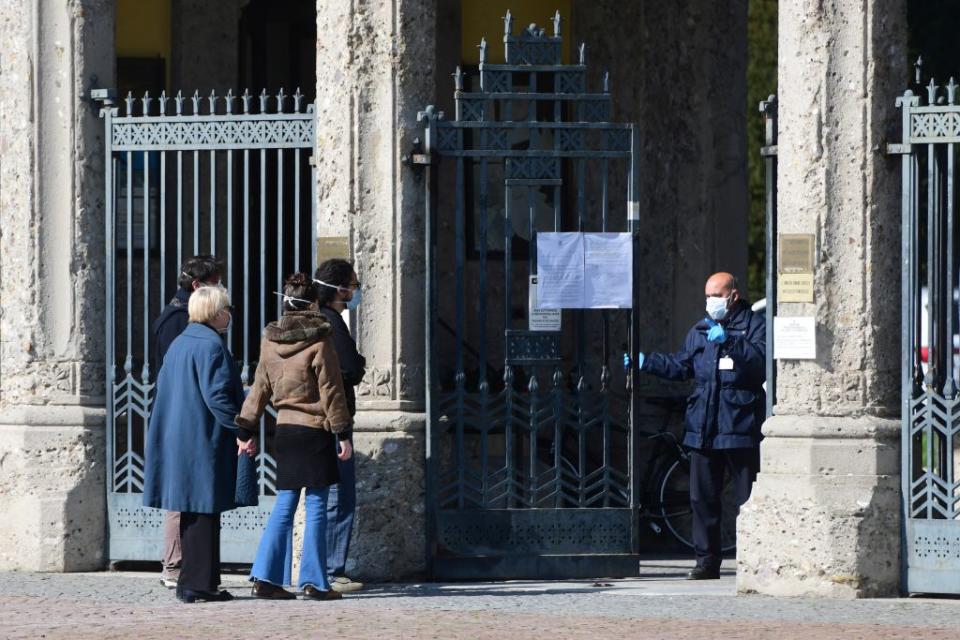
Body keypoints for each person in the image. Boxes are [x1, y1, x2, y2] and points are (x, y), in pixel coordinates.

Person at [630, 272, 765, 580]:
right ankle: (706, 562)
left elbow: (760, 361)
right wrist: (647, 362)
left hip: (739, 424)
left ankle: (752, 560)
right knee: (701, 498)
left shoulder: (754, 325)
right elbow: (683, 366)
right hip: (704, 426)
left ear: (732, 295)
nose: (710, 302)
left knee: (747, 496)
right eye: (707, 296)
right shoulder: (701, 329)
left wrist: (730, 341)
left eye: (715, 295)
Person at [238, 273, 353, 601]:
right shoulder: (320, 338)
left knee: (284, 504)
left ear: (285, 303)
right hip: (314, 429)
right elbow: (332, 390)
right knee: (316, 505)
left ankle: (264, 575)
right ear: (313, 304)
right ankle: (314, 582)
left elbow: (260, 387)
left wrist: (245, 427)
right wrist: (342, 432)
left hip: (285, 430)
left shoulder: (270, 341)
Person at [144, 285, 258, 603]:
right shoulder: (210, 345)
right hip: (201, 438)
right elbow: (218, 396)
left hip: (179, 436)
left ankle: (194, 581)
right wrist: (242, 429)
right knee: (204, 512)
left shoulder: (182, 342)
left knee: (192, 512)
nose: (230, 314)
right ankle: (199, 583)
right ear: (216, 312)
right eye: (227, 309)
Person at [152, 255, 223, 589]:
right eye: (215, 283)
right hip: (183, 420)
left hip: (186, 418)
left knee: (186, 496)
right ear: (198, 287)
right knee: (180, 497)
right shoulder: (178, 323)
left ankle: (186, 567)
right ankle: (174, 565)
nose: (220, 291)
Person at [314, 259, 366, 593]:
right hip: (334, 420)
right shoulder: (332, 321)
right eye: (352, 285)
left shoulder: (312, 319)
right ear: (338, 289)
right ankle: (333, 569)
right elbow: (352, 368)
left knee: (315, 498)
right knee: (339, 496)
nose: (355, 291)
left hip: (308, 420)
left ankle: (319, 568)